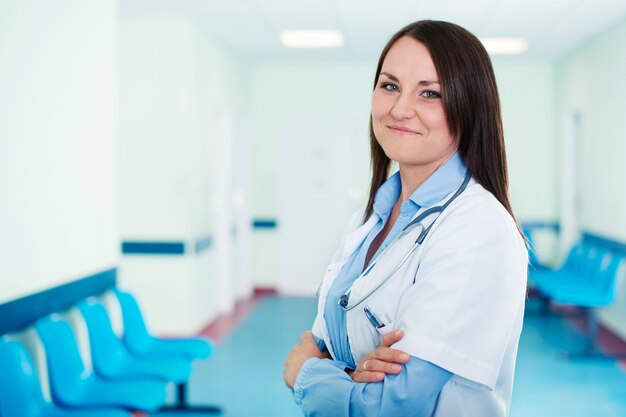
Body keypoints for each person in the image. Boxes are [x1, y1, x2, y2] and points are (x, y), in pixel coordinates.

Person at [283, 20, 528, 417]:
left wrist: (306, 373)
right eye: (390, 85)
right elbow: (324, 336)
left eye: (429, 93)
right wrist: (350, 370)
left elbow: (392, 405)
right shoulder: (374, 216)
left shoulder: (477, 228)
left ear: (470, 106)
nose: (399, 109)